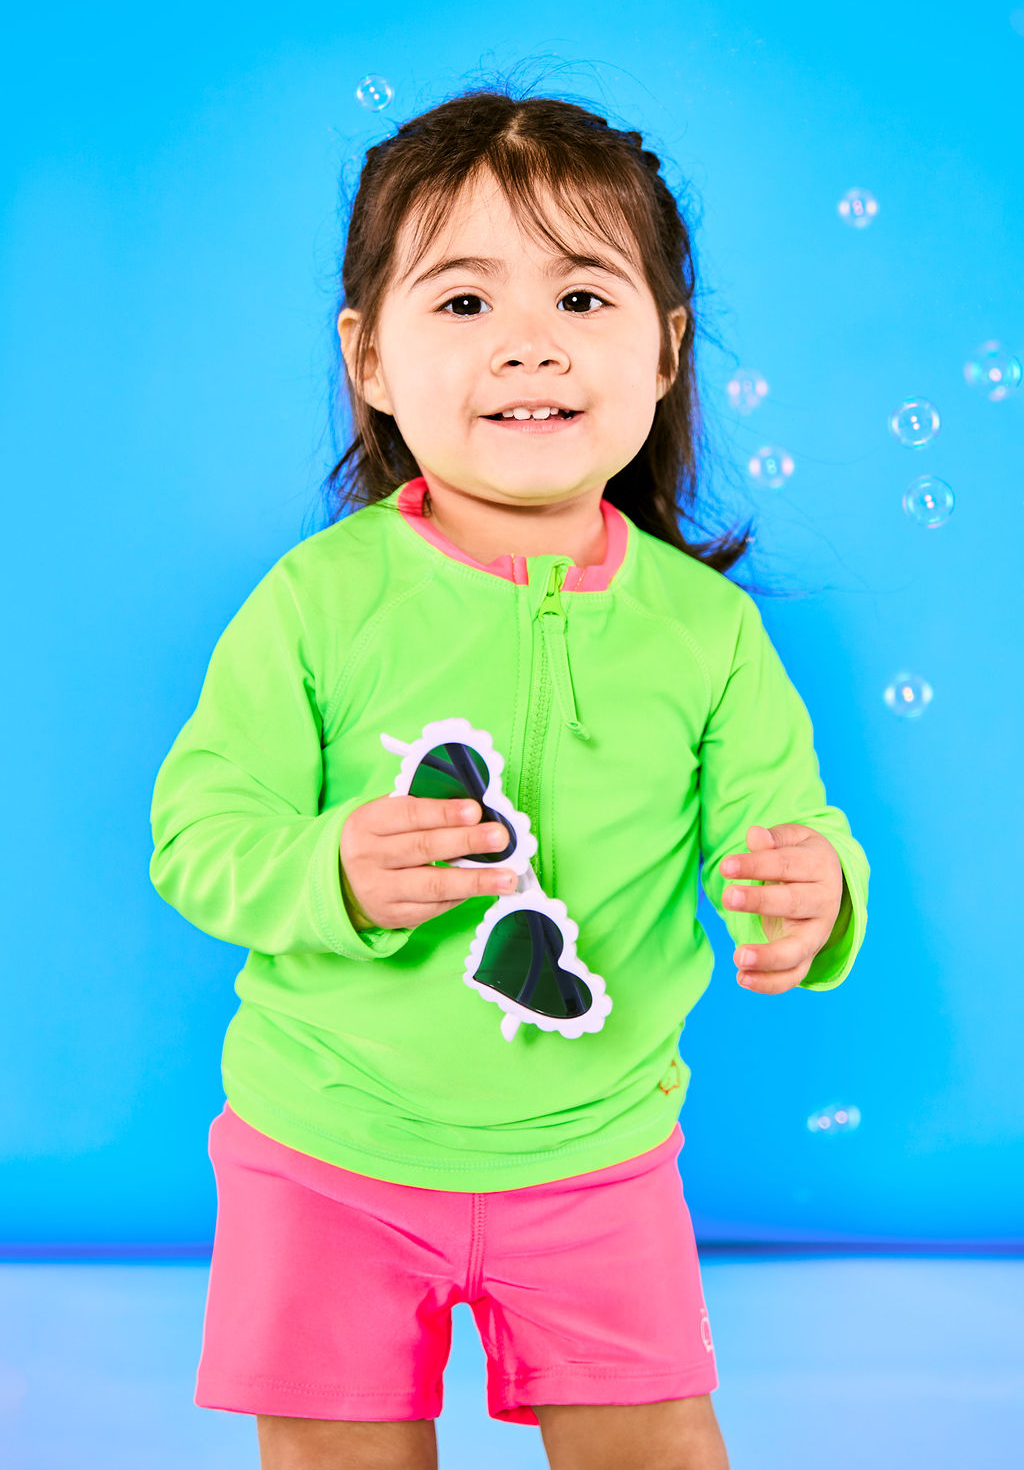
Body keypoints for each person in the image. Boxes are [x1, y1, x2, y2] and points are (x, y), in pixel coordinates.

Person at [149, 84, 869, 1470]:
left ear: (665, 355)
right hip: (328, 1152)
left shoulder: (708, 634)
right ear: (367, 358)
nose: (529, 344)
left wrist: (814, 890)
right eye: (465, 302)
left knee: (657, 1444)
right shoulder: (314, 605)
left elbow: (784, 822)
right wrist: (327, 867)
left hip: (596, 1159)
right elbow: (199, 831)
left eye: (584, 300)